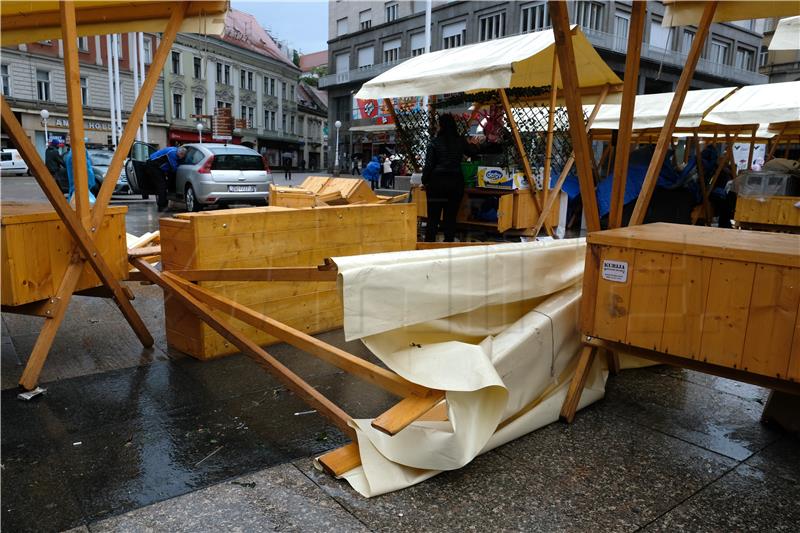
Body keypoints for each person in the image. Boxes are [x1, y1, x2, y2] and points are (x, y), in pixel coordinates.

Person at [421, 113, 480, 242]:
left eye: (438, 124)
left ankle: (429, 246)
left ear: (441, 126)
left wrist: (424, 181)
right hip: (455, 183)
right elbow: (473, 154)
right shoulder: (460, 141)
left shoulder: (434, 143)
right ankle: (448, 244)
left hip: (436, 185)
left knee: (433, 217)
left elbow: (429, 165)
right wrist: (474, 145)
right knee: (450, 217)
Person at [145, 145, 186, 211]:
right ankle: (161, 206)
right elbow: (174, 167)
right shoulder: (172, 153)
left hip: (157, 166)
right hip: (153, 165)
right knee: (162, 185)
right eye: (182, 156)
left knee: (163, 185)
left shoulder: (176, 150)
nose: (182, 158)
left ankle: (163, 204)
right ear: (180, 153)